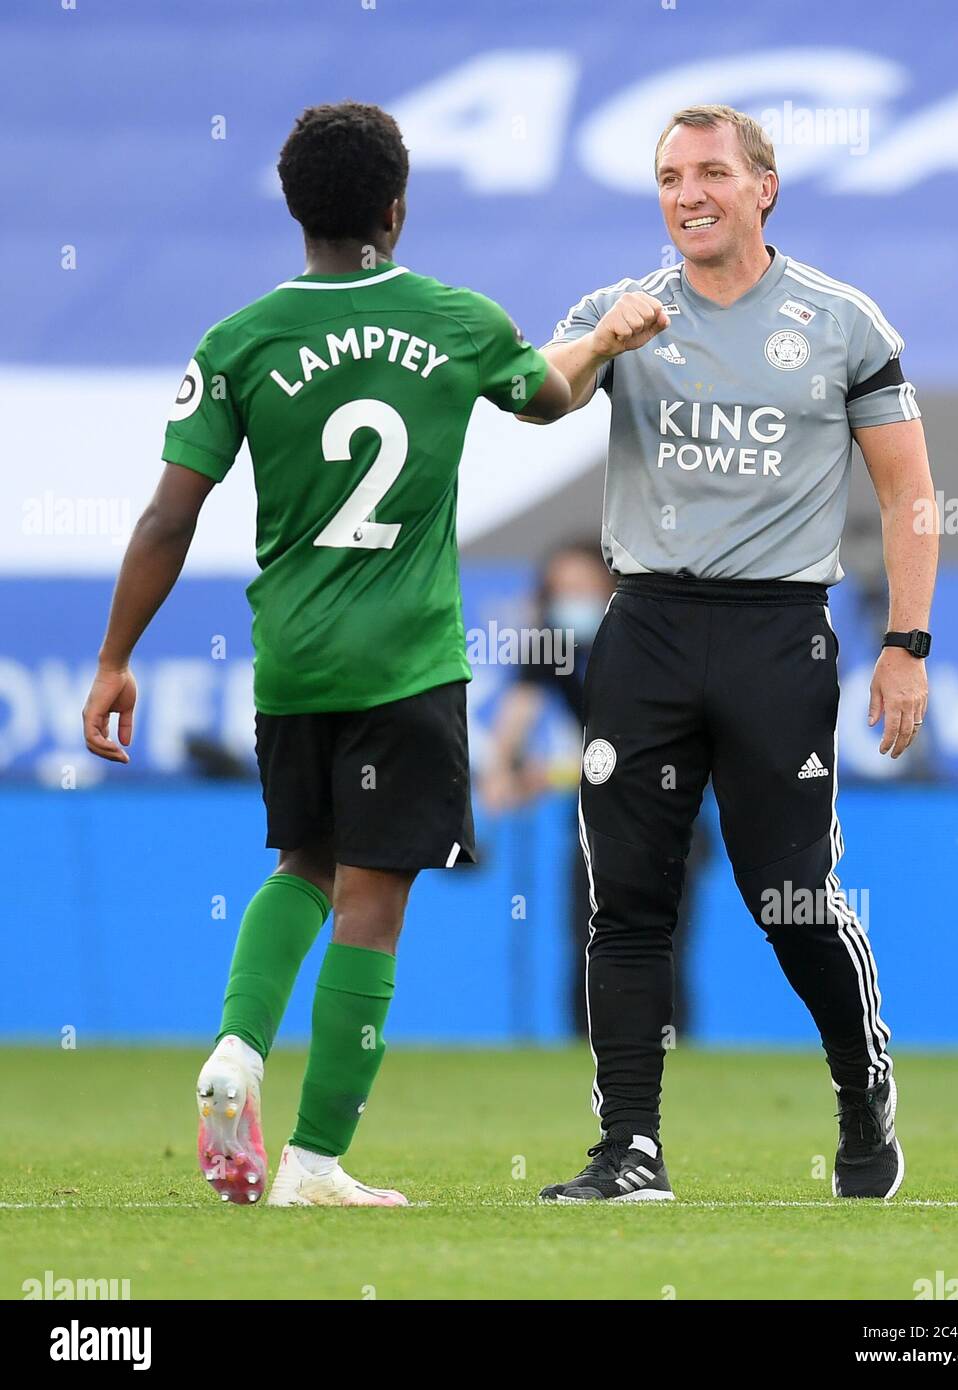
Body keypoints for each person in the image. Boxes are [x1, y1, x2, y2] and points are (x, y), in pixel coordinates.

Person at [81, 100, 570, 1208]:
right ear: (396, 209)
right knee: (374, 898)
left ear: (297, 211)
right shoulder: (455, 321)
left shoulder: (241, 340)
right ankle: (310, 1159)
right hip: (406, 665)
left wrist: (114, 658)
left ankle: (237, 1049)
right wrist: (605, 340)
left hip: (292, 663)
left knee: (302, 860)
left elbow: (168, 518)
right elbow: (552, 396)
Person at [522, 104, 937, 1202]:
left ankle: (861, 1092)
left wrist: (905, 642)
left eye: (709, 171)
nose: (686, 192)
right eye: (666, 176)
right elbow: (535, 398)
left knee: (787, 897)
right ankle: (630, 1151)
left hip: (775, 637)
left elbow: (908, 493)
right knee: (627, 903)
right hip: (646, 627)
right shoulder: (622, 308)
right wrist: (603, 343)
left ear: (763, 186)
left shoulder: (839, 321)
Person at [480, 540, 706, 1035]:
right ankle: (589, 1060)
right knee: (588, 940)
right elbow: (519, 707)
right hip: (595, 820)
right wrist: (499, 773)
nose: (571, 599)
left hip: (668, 816)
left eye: (582, 588)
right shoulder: (553, 644)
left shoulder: (651, 639)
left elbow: (639, 744)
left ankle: (669, 1060)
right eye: (560, 590)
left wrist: (552, 772)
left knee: (660, 946)